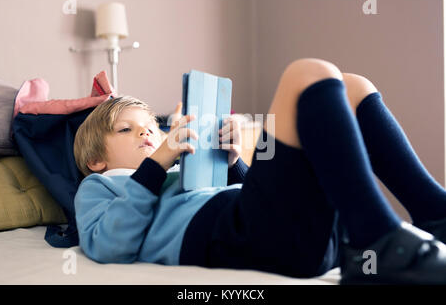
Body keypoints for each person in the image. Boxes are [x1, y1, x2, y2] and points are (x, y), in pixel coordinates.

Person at [73, 58, 446, 284]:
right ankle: (381, 239)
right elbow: (109, 245)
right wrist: (156, 165)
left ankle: (435, 215)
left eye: (153, 127)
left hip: (292, 236)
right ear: (95, 160)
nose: (146, 132)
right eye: (127, 129)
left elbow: (254, 199)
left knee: (353, 86)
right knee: (307, 75)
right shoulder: (100, 185)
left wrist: (233, 165)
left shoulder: (178, 171)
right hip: (235, 238)